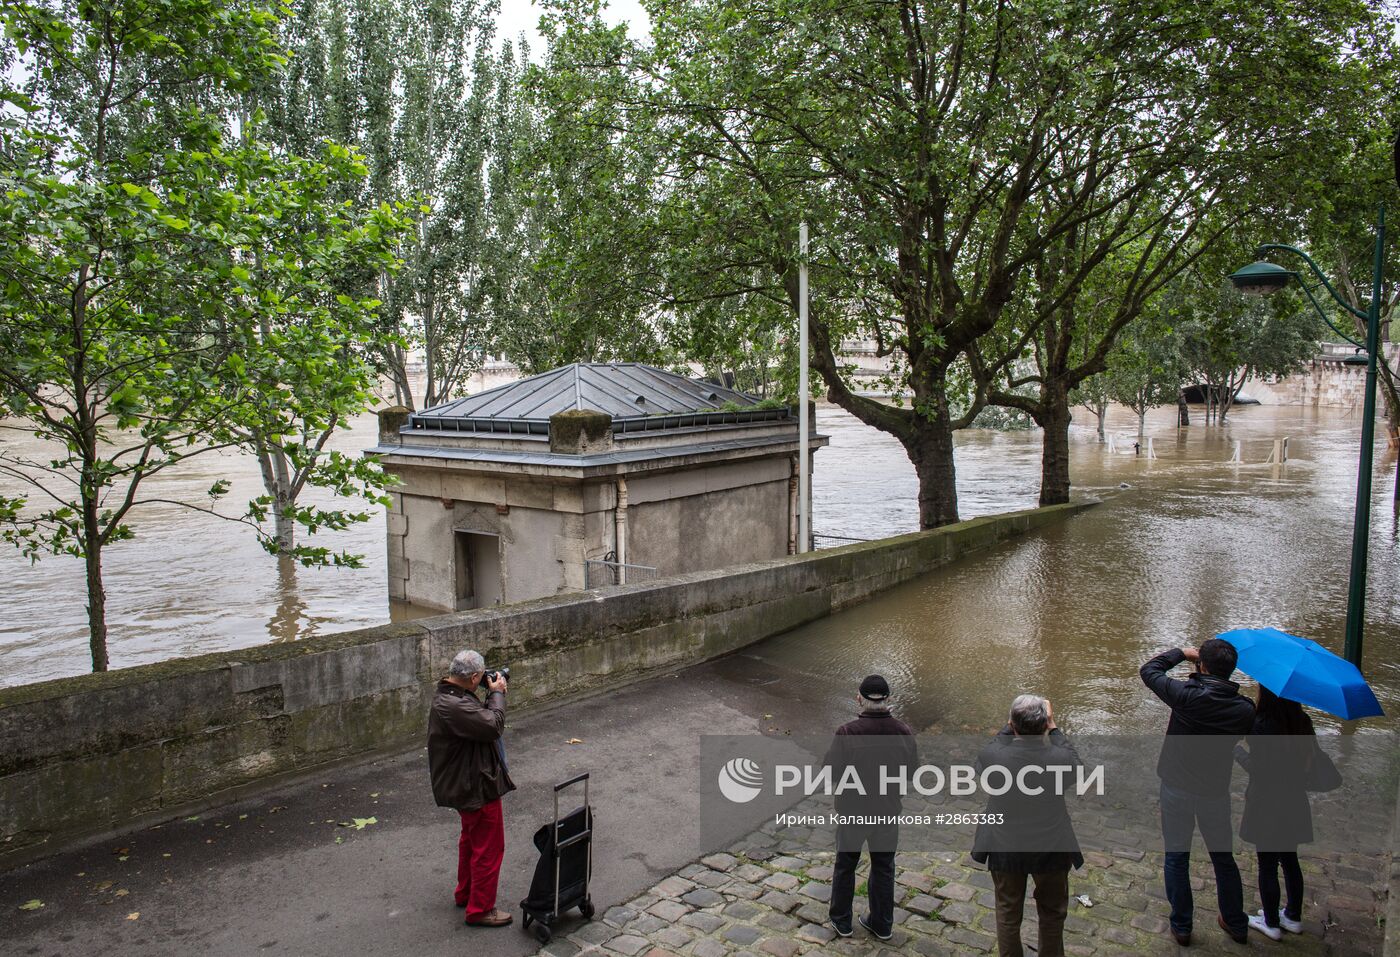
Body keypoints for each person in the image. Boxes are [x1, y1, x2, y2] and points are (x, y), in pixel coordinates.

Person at [1140, 639, 1256, 947]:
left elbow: (1150, 670)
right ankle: (1235, 922)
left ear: (1202, 666)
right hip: (1214, 792)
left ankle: (1182, 925)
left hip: (1177, 787)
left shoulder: (1187, 697)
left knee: (1177, 856)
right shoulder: (1245, 709)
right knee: (1223, 858)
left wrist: (1182, 654)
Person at [972, 695, 1083, 957]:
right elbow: (1077, 766)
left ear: (1012, 725)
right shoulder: (1059, 758)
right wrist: (1054, 728)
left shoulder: (995, 757)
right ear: (1045, 724)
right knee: (1053, 912)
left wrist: (1009, 724)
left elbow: (989, 751)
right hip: (1052, 845)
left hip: (1005, 844)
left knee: (1008, 913)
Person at [824, 674, 917, 942]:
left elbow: (831, 772)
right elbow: (911, 772)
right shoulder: (903, 732)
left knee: (846, 864)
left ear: (859, 699)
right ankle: (882, 923)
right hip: (887, 810)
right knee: (884, 865)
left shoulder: (847, 732)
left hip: (853, 810)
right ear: (888, 700)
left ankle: (842, 920)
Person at [428, 649, 515, 927]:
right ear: (475, 677)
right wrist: (498, 693)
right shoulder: (455, 705)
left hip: (465, 781)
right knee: (489, 847)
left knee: (470, 841)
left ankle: (465, 893)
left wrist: (490, 695)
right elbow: (493, 725)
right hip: (475, 785)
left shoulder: (450, 695)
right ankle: (481, 910)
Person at [1236, 688, 1316, 941]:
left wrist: (1236, 751)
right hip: (1294, 799)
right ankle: (1292, 916)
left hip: (1266, 802)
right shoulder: (1303, 721)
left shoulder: (1261, 724)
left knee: (1267, 863)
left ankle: (1269, 921)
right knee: (1290, 860)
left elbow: (1257, 769)